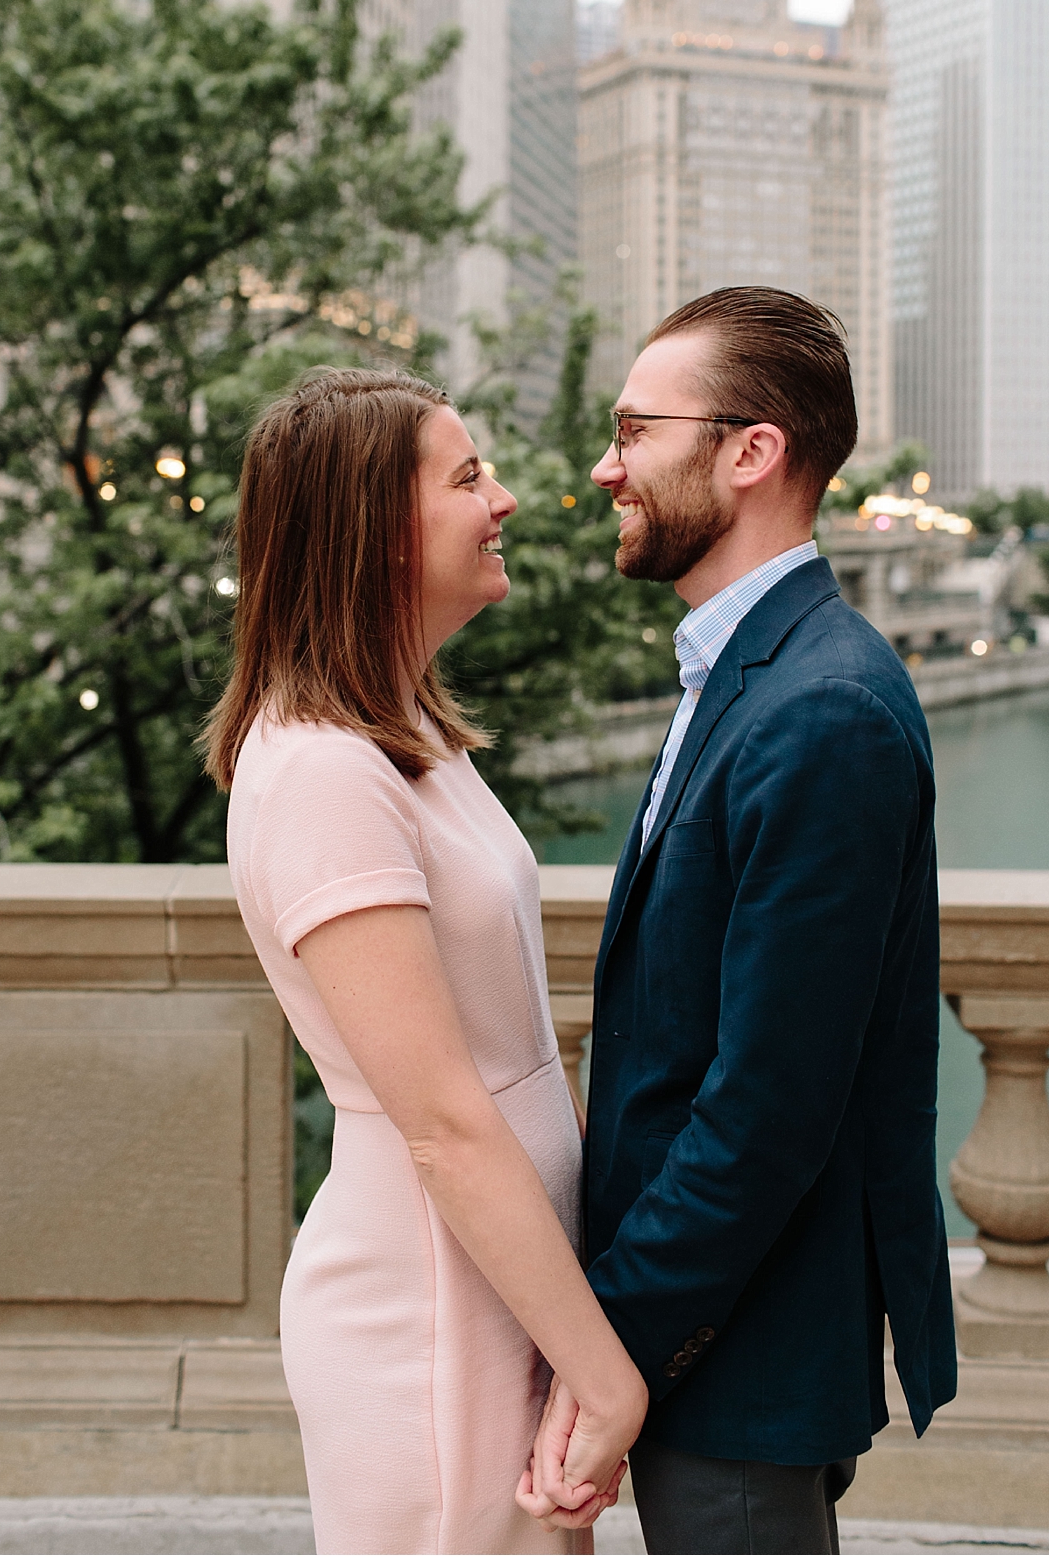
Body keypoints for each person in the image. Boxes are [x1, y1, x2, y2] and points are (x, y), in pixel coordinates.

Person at [528, 287, 957, 1555]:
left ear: (748, 450)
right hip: (708, 1332)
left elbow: (766, 1107)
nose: (606, 466)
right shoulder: (748, 670)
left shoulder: (825, 707)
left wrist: (615, 1346)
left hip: (739, 1353)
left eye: (632, 429)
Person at [212, 367, 646, 1557]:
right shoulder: (318, 773)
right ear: (374, 534)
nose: (501, 499)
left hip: (501, 1285)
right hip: (433, 1308)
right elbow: (445, 1121)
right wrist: (604, 1375)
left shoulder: (400, 741)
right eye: (466, 478)